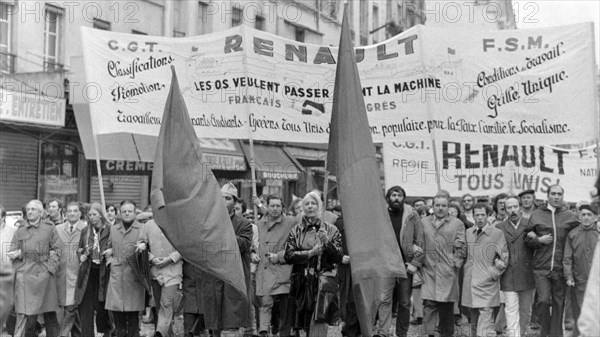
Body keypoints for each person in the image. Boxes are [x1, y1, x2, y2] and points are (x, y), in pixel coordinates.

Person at [284, 191, 343, 337]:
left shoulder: (331, 229)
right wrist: (309, 253)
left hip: (324, 282)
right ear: (302, 207)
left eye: (313, 203)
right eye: (307, 204)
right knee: (302, 322)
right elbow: (288, 255)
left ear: (320, 206)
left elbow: (339, 257)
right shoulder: (296, 231)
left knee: (320, 321)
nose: (310, 206)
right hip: (302, 282)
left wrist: (327, 242)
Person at [525, 185, 580, 337]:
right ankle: (545, 331)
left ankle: (556, 334)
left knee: (559, 303)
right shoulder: (537, 214)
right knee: (543, 301)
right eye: (553, 194)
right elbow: (526, 238)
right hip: (541, 266)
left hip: (560, 267)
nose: (556, 197)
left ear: (563, 196)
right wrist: (539, 240)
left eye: (559, 194)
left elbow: (579, 235)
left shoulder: (570, 216)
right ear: (547, 195)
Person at [200, 182, 253, 337]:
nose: (223, 201)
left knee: (232, 326)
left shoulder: (244, 224)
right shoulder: (207, 223)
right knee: (214, 325)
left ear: (234, 202)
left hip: (233, 281)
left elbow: (243, 244)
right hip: (213, 278)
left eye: (228, 198)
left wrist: (223, 229)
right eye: (220, 198)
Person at [374, 186, 423, 337]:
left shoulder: (412, 215)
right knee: (383, 301)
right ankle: (383, 332)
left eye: (399, 195)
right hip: (386, 265)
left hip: (405, 266)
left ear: (404, 198)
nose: (396, 198)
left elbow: (420, 240)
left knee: (404, 302)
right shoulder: (380, 214)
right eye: (393, 195)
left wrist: (415, 263)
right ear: (388, 198)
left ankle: (401, 333)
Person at [8, 199, 61, 337]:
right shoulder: (20, 230)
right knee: (23, 313)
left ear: (41, 212)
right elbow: (12, 251)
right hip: (25, 276)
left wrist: (50, 268)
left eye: (33, 209)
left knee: (49, 313)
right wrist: (18, 256)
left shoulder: (49, 228)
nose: (29, 212)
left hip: (44, 275)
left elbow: (56, 249)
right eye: (28, 209)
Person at [420, 193, 466, 337]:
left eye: (444, 205)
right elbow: (418, 241)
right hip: (428, 268)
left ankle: (446, 333)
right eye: (437, 205)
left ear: (448, 206)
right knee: (429, 304)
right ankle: (429, 334)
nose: (440, 208)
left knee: (446, 306)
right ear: (433, 206)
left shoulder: (457, 223)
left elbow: (461, 245)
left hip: (447, 270)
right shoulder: (423, 222)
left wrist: (455, 263)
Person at [462, 202, 509, 337]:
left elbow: (504, 257)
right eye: (477, 215)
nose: (480, 218)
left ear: (488, 216)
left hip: (487, 280)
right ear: (473, 216)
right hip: (470, 279)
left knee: (486, 314)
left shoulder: (496, 233)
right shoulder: (469, 232)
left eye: (483, 215)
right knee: (473, 314)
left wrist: (493, 273)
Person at [256, 195, 297, 337]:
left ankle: (284, 332)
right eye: (272, 205)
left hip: (282, 269)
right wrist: (254, 252)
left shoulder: (290, 222)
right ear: (267, 206)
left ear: (282, 207)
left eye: (277, 206)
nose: (274, 209)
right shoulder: (259, 223)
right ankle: (263, 331)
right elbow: (255, 243)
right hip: (264, 269)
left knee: (285, 307)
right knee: (265, 302)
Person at [104, 200, 146, 337]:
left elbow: (149, 247)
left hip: (134, 278)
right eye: (124, 211)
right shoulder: (114, 229)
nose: (127, 214)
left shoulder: (142, 228)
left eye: (129, 211)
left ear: (135, 213)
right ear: (119, 214)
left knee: (133, 321)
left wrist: (144, 248)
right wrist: (110, 261)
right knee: (118, 321)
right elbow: (108, 247)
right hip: (117, 279)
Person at [495, 197, 536, 337]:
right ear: (505, 210)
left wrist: (535, 238)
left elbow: (539, 247)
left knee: (526, 310)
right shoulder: (499, 227)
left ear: (520, 207)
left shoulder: (530, 224)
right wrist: (496, 261)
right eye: (509, 208)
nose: (512, 210)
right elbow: (494, 250)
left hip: (527, 273)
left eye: (515, 206)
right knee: (510, 309)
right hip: (509, 273)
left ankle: (522, 332)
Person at [137, 217, 183, 337]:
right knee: (159, 307)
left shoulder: (177, 223)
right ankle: (167, 333)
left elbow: (184, 246)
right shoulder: (147, 225)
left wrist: (170, 259)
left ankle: (159, 333)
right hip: (155, 272)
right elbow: (141, 244)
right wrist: (152, 258)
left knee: (166, 303)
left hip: (173, 270)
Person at [75, 203, 112, 337]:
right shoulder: (86, 231)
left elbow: (116, 247)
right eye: (90, 215)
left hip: (104, 272)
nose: (91, 217)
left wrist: (111, 251)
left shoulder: (110, 230)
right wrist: (82, 255)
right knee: (85, 307)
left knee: (103, 307)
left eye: (94, 214)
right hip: (88, 272)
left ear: (101, 215)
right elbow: (79, 249)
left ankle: (106, 332)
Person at [563, 204, 600, 337]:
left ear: (595, 217)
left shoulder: (598, 233)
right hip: (579, 280)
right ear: (579, 216)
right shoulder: (572, 234)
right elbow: (567, 258)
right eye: (583, 214)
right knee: (580, 313)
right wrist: (569, 277)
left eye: (589, 215)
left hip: (596, 280)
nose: (586, 217)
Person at [56, 202, 86, 337]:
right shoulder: (58, 229)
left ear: (80, 213)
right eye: (69, 211)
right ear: (65, 213)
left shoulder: (86, 229)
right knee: (68, 307)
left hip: (79, 274)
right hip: (61, 274)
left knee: (71, 307)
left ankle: (62, 334)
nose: (72, 213)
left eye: (75, 211)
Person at [333, 208, 361, 337]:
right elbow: (332, 245)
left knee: (359, 299)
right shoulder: (339, 223)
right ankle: (349, 329)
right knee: (347, 300)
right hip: (345, 268)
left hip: (362, 266)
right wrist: (340, 256)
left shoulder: (366, 221)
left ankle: (356, 328)